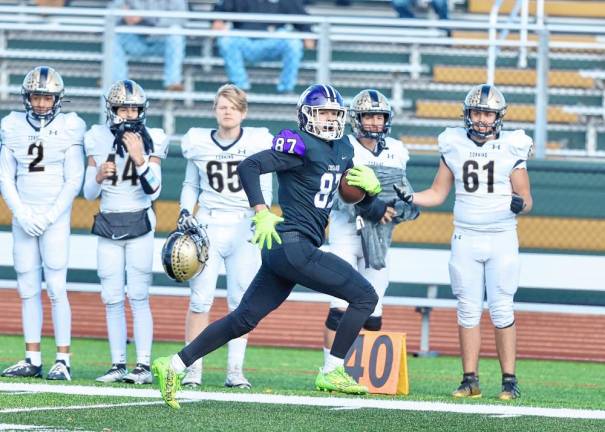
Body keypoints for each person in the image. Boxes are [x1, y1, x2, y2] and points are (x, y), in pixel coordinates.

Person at [152, 83, 384, 409]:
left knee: (243, 319)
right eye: (323, 113)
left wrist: (371, 191)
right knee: (365, 296)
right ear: (307, 116)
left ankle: (174, 365)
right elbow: (249, 166)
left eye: (335, 113)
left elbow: (362, 205)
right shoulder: (298, 142)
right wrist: (261, 210)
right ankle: (332, 370)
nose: (330, 119)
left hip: (286, 251)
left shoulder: (344, 148)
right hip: (292, 243)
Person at [395, 84, 533, 400]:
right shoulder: (453, 144)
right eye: (478, 112)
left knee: (501, 307)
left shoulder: (513, 146)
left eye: (488, 113)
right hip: (465, 236)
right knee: (467, 310)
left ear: (498, 116)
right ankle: (469, 379)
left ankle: (509, 381)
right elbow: (438, 193)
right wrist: (412, 196)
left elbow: (526, 198)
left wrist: (519, 204)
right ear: (467, 114)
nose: (483, 119)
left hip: (501, 237)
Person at [177, 84, 273, 389]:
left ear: (242, 112)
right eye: (222, 106)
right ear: (215, 110)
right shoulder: (198, 141)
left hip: (244, 224)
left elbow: (265, 185)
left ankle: (234, 370)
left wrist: (263, 215)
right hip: (208, 223)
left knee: (241, 301)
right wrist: (183, 210)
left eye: (232, 106)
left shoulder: (258, 141)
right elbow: (191, 183)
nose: (227, 111)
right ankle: (192, 369)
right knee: (199, 299)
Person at [0, 66, 86, 381]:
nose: (41, 103)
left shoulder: (70, 126)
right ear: (27, 97)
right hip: (24, 216)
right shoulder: (11, 125)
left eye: (47, 97)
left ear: (57, 98)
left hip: (54, 217)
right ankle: (32, 356)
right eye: (37, 96)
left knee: (57, 288)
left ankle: (62, 358)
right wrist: (21, 213)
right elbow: (5, 175)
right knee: (26, 288)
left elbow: (75, 177)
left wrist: (50, 215)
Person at [83, 79, 169, 384]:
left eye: (134, 108)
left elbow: (155, 190)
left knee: (139, 295)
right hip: (108, 221)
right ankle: (118, 362)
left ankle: (143, 365)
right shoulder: (95, 136)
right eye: (124, 107)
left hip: (140, 222)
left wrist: (140, 160)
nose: (130, 113)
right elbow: (89, 193)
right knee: (111, 297)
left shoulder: (154, 136)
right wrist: (96, 177)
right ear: (112, 109)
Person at [323, 89, 419, 358]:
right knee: (339, 308)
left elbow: (400, 190)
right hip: (346, 232)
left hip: (379, 236)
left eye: (380, 116)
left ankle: (365, 370)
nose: (376, 122)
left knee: (373, 312)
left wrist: (398, 208)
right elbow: (337, 191)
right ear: (357, 119)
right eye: (369, 116)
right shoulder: (343, 147)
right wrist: (370, 206)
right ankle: (330, 368)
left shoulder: (397, 151)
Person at [212, 0, 315, 94]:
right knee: (226, 41)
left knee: (293, 43)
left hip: (272, 42)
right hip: (244, 41)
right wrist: (218, 21)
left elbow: (301, 18)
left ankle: (286, 89)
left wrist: (308, 35)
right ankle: (241, 87)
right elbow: (220, 12)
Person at [110, 0, 188, 91]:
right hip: (137, 41)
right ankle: (119, 83)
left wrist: (146, 23)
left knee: (176, 32)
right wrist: (124, 15)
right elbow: (111, 14)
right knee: (114, 37)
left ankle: (173, 82)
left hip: (162, 42)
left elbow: (182, 19)